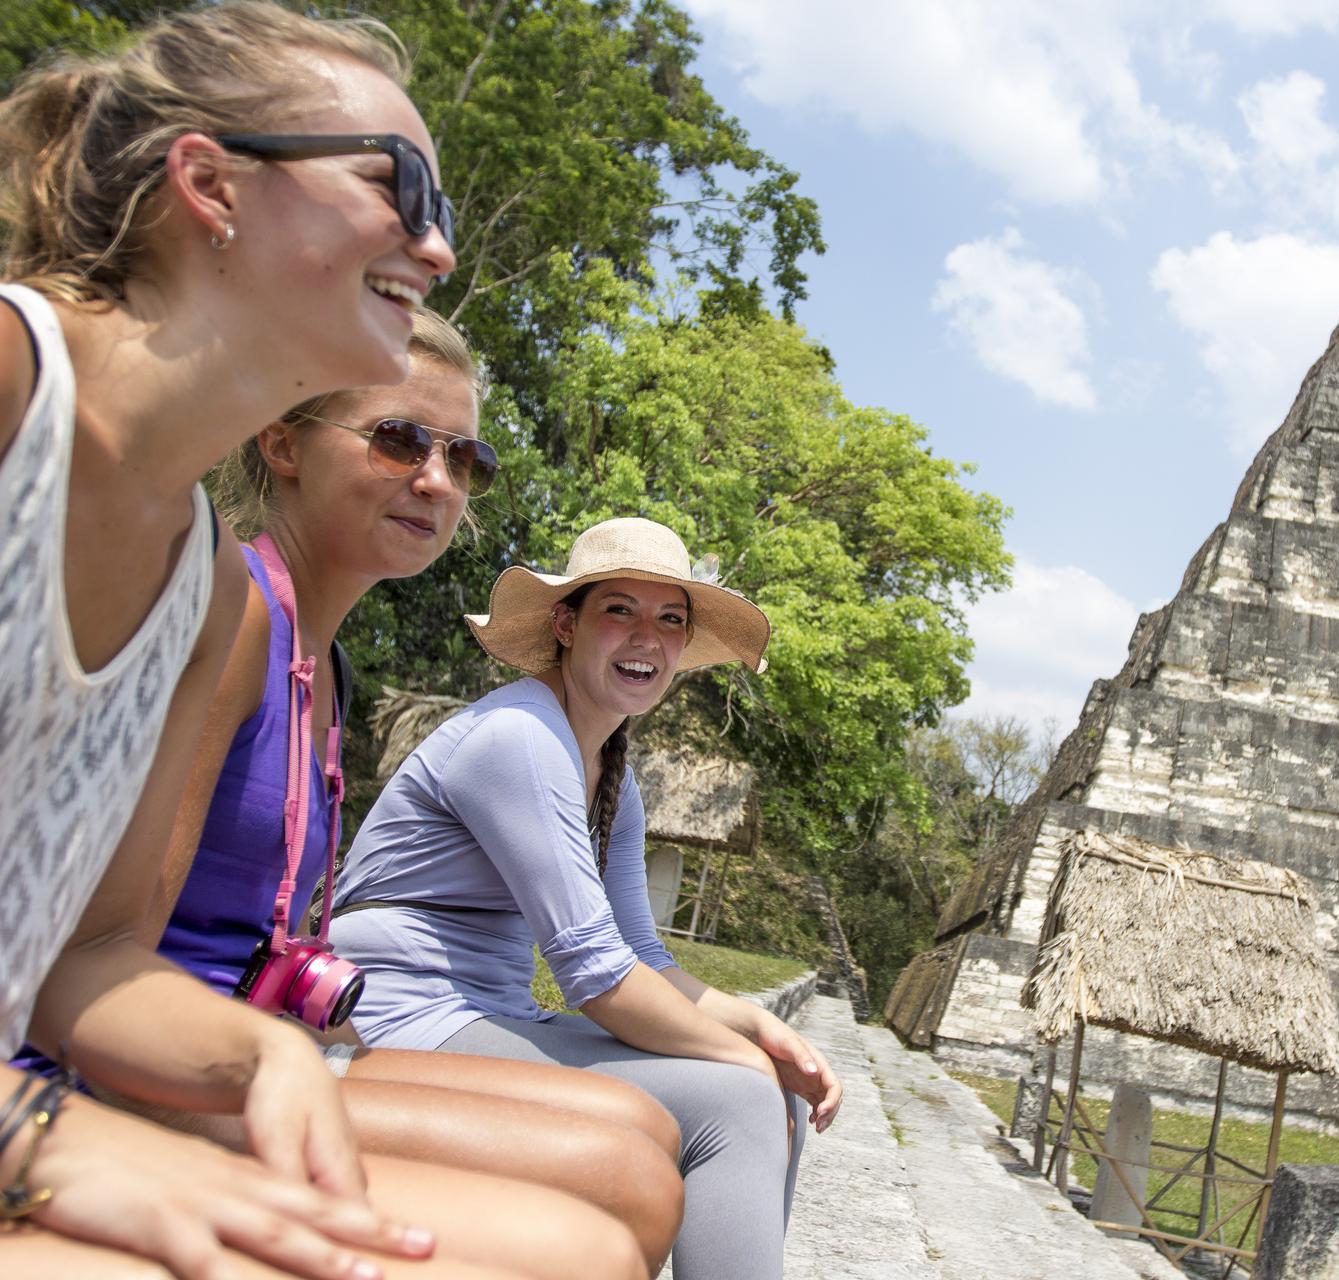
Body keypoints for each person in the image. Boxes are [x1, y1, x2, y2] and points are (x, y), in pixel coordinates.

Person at [0, 6, 635, 1276]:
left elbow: (93, 957)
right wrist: (41, 1133)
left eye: (467, 456)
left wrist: (269, 1052)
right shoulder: (15, 390)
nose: (439, 247)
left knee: (581, 1247)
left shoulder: (191, 566)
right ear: (209, 183)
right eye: (393, 183)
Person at [127, 311, 681, 1276]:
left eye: (465, 459)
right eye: (398, 439)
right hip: (167, 1079)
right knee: (612, 1201)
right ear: (283, 440)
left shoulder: (327, 668)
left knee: (639, 1141)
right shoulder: (234, 613)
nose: (437, 479)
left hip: (277, 1047)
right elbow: (114, 964)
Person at [331, 518, 845, 1280]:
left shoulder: (611, 772)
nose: (648, 637)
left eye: (671, 619)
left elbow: (643, 954)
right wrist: (743, 1059)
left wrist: (762, 1027)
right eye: (620, 611)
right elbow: (596, 978)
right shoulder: (517, 737)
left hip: (490, 1013)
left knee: (763, 1082)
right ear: (566, 625)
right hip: (396, 1017)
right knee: (739, 1099)